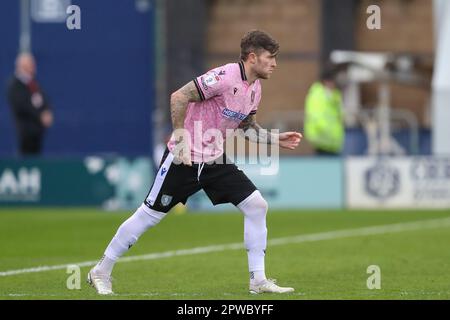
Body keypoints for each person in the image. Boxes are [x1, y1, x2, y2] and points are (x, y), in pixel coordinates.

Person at [88, 30, 302, 295]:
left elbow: (246, 127)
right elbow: (179, 96)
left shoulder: (255, 90)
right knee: (149, 216)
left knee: (257, 206)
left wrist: (275, 139)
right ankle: (101, 270)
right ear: (252, 57)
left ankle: (258, 280)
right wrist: (180, 141)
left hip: (214, 160)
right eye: (270, 57)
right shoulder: (224, 77)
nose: (275, 63)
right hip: (184, 158)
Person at [6, 52, 53, 156]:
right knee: (26, 158)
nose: (33, 67)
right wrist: (40, 115)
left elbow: (43, 99)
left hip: (37, 132)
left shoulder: (33, 83)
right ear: (22, 66)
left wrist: (47, 112)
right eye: (31, 64)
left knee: (35, 157)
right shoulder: (15, 85)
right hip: (25, 131)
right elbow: (22, 105)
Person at [304, 67, 344, 156]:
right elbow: (316, 117)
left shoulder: (335, 96)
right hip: (322, 141)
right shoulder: (317, 95)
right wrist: (326, 133)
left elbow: (340, 116)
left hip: (334, 143)